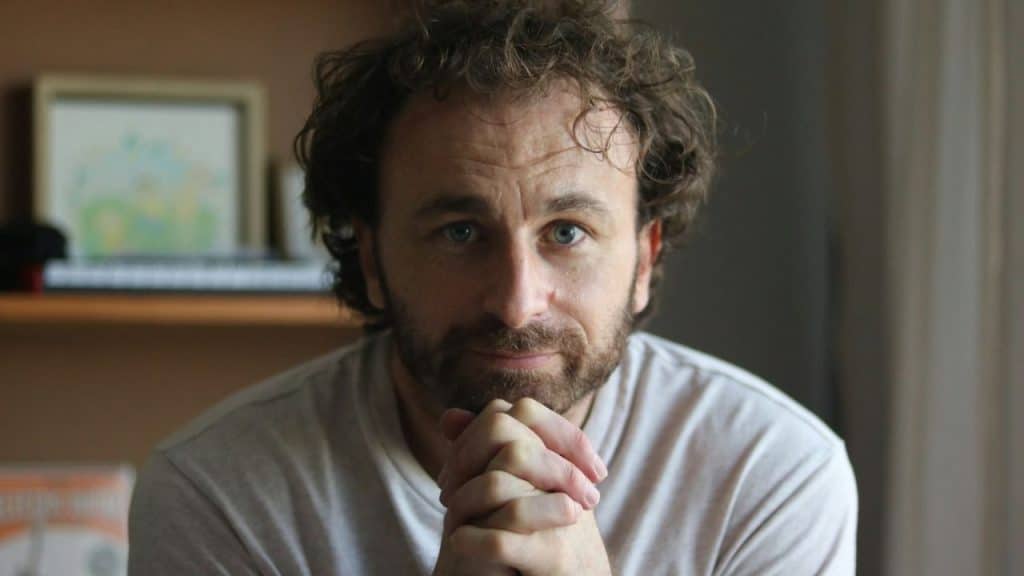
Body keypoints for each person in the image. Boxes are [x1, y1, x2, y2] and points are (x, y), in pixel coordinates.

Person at [128, 1, 858, 574]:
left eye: (566, 231)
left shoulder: (767, 473)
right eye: (459, 232)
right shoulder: (217, 492)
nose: (516, 302)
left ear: (644, 258)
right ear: (374, 257)